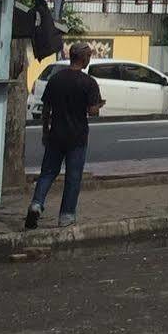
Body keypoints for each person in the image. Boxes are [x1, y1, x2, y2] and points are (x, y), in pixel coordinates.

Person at [27, 41, 102, 229]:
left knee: (47, 173)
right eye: (89, 56)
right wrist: (98, 106)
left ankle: (36, 204)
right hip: (77, 137)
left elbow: (46, 109)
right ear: (83, 58)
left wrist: (45, 130)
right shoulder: (89, 83)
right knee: (73, 176)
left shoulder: (56, 79)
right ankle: (66, 215)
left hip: (56, 135)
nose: (89, 59)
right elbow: (93, 111)